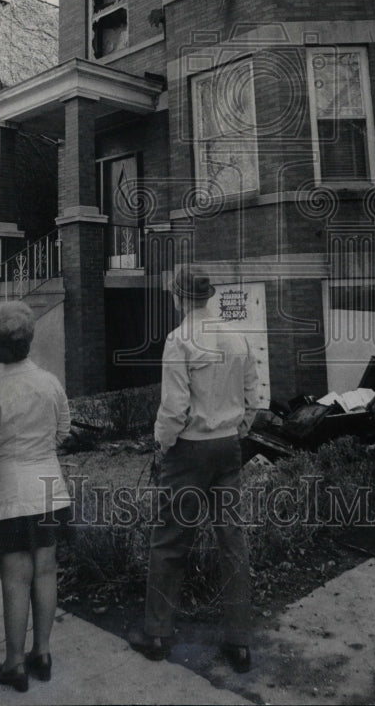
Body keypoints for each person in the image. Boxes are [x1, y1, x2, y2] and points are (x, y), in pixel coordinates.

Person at [127, 265, 259, 673]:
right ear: (208, 296)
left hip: (189, 450)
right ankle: (238, 643)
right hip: (227, 448)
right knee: (232, 542)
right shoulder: (239, 337)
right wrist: (238, 427)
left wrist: (161, 445)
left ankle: (159, 634)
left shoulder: (179, 339)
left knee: (169, 542)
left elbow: (174, 408)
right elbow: (254, 394)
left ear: (178, 297)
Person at [0, 301, 71, 694]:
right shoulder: (50, 382)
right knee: (46, 570)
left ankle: (14, 663)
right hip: (50, 486)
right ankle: (42, 653)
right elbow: (64, 429)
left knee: (15, 578)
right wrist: (42, 451)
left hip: (12, 492)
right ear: (28, 340)